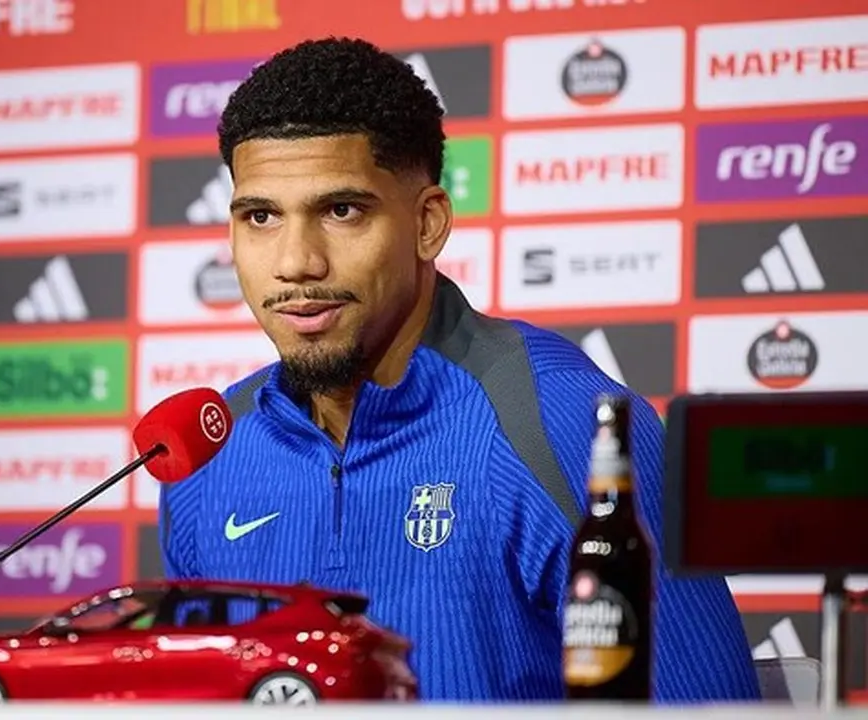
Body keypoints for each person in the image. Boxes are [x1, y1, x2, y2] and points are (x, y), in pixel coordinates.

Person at [158, 37, 761, 703]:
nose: (296, 262)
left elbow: (708, 713)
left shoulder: (565, 425)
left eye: (341, 211)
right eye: (261, 216)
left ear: (428, 224)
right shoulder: (209, 453)